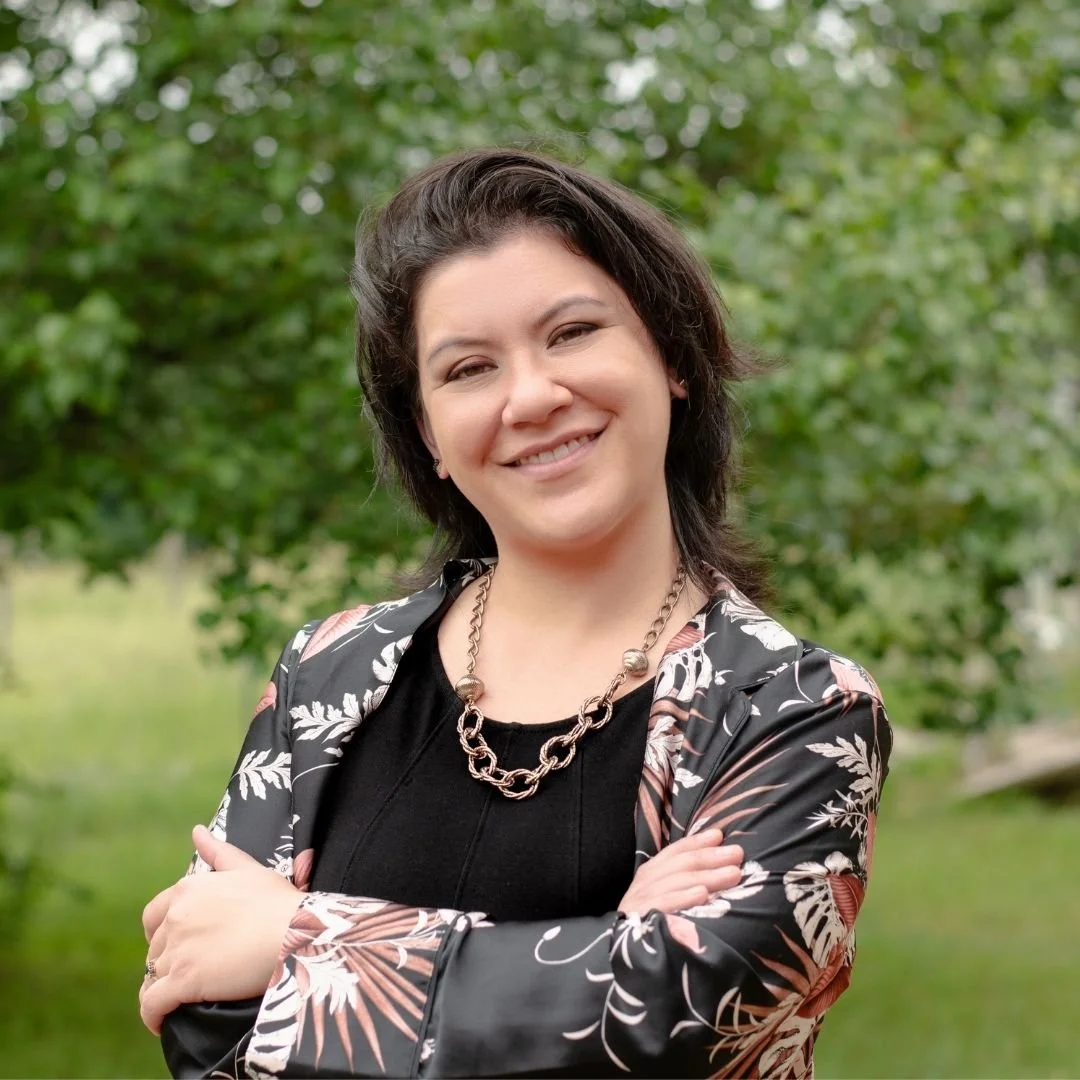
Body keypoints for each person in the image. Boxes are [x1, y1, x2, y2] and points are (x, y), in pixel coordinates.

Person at [139, 148, 891, 1079]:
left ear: (672, 358)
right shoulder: (330, 671)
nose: (532, 397)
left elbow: (679, 1021)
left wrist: (299, 938)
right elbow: (203, 1014)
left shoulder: (797, 710)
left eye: (572, 333)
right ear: (430, 436)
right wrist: (608, 947)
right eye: (468, 369)